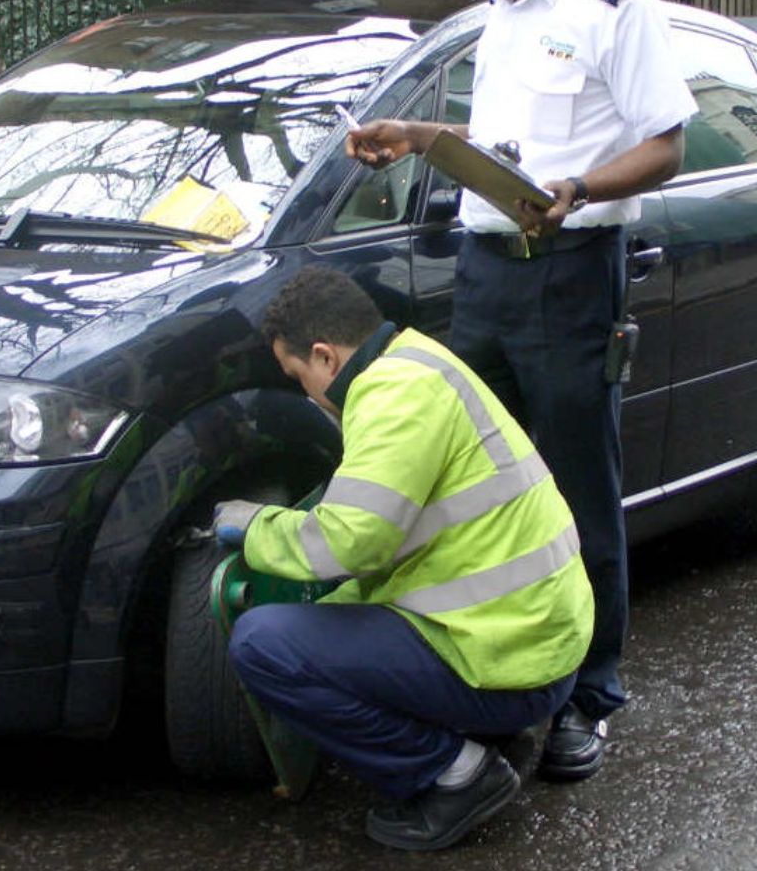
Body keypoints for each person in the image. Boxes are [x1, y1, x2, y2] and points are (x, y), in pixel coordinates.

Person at [344, 0, 698, 782]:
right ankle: (490, 677)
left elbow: (666, 145)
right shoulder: (499, 17)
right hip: (486, 270)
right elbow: (501, 147)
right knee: (474, 483)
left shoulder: (614, 5)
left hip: (570, 269)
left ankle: (588, 697)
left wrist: (578, 188)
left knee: (579, 490)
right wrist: (419, 138)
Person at [215, 265, 593, 851]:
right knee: (331, 620)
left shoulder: (393, 397)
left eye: (298, 376)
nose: (304, 393)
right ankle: (482, 730)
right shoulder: (417, 358)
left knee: (263, 643)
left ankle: (457, 773)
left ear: (325, 356)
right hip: (534, 640)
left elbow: (348, 542)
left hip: (511, 662)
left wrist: (255, 526)